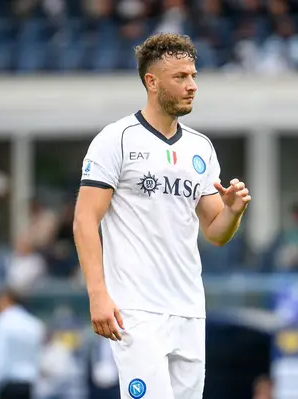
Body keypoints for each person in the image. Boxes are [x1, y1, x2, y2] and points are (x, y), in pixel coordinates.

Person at [74, 33, 251, 399]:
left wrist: (233, 210)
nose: (192, 86)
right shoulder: (116, 139)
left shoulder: (200, 147)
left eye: (193, 76)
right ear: (151, 82)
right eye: (181, 77)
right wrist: (97, 295)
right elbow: (84, 221)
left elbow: (216, 233)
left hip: (188, 306)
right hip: (136, 308)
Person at [0, 288, 45, 399]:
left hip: (8, 384)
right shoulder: (34, 323)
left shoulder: (2, 321)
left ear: (6, 300)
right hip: (30, 385)